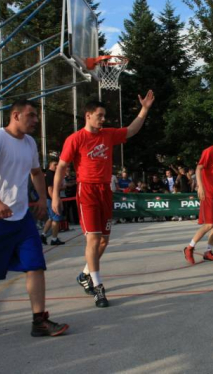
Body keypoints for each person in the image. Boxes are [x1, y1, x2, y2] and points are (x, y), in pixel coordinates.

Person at [0, 100, 68, 345]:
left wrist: (42, 198)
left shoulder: (30, 143)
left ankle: (39, 321)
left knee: (35, 265)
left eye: (36, 116)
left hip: (20, 219)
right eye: (31, 116)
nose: (35, 120)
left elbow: (36, 173)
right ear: (16, 115)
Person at [52, 91, 155, 308]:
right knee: (92, 238)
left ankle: (85, 274)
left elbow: (132, 129)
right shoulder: (75, 139)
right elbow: (61, 166)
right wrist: (54, 196)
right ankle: (98, 288)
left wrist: (144, 109)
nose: (103, 119)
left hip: (104, 191)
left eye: (104, 115)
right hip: (86, 191)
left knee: (104, 240)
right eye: (99, 115)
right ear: (88, 115)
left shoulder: (107, 134)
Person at [183, 130, 213, 264]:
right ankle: (189, 248)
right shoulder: (209, 151)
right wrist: (200, 186)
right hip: (208, 192)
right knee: (209, 224)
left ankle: (208, 252)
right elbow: (198, 169)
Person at [40, 160, 65, 246]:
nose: (57, 166)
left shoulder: (50, 174)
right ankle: (54, 239)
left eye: (57, 164)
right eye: (55, 164)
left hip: (49, 199)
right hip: (51, 199)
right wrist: (55, 200)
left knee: (51, 218)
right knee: (56, 219)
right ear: (50, 165)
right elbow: (50, 189)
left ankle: (43, 235)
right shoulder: (50, 174)